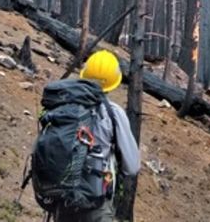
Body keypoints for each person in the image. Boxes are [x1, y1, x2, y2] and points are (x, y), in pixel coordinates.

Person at [46, 49, 141, 221]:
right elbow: (132, 166)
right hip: (95, 200)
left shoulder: (63, 106)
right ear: (114, 82)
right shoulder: (113, 113)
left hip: (62, 197)